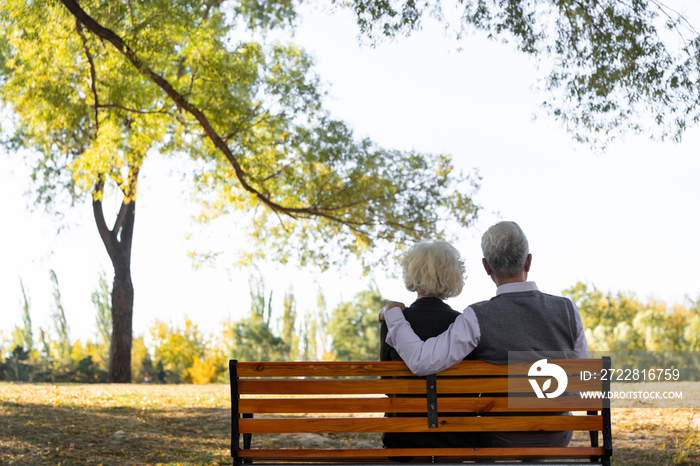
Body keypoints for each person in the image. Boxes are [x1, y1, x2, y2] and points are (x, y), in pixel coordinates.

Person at [380, 221, 589, 448]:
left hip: (502, 435)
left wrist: (392, 315)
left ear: (486, 267)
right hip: (555, 433)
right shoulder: (568, 309)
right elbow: (583, 381)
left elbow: (422, 361)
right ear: (528, 261)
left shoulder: (477, 317)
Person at [380, 239, 477, 450]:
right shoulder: (465, 325)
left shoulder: (394, 321)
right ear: (453, 277)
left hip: (404, 441)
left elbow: (387, 386)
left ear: (412, 273)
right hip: (457, 441)